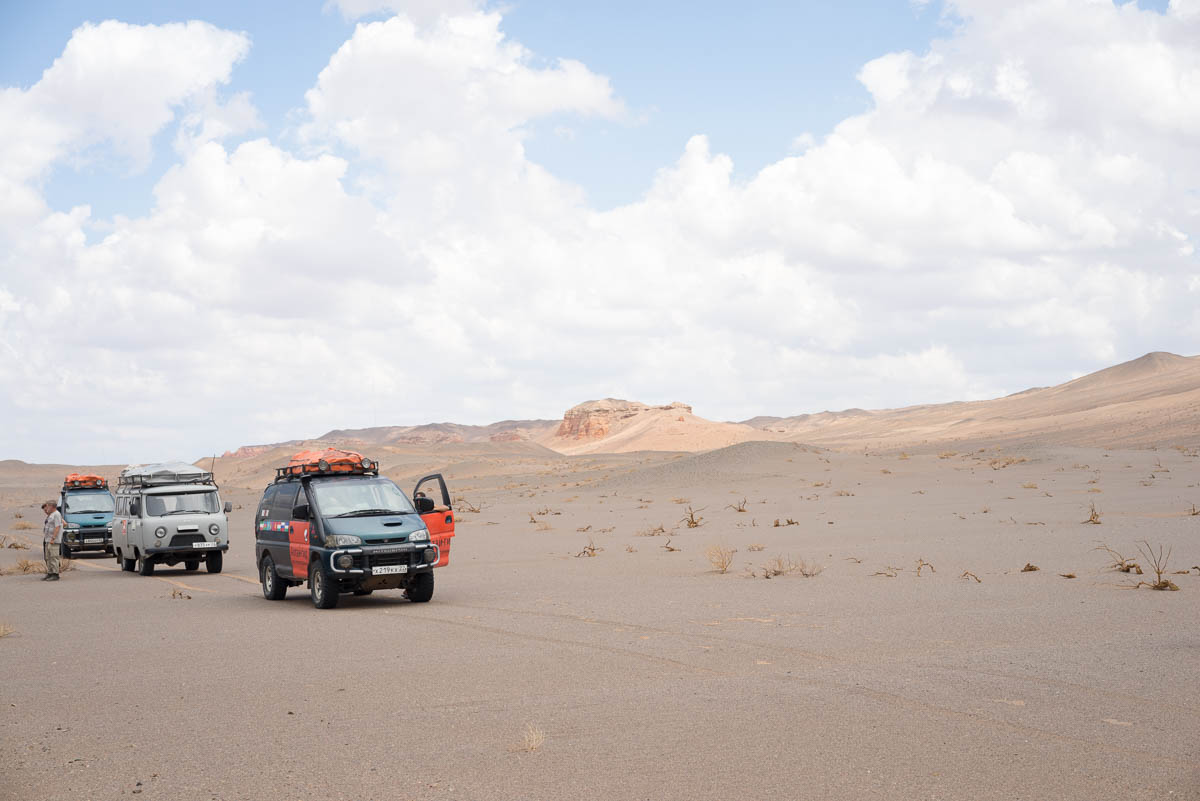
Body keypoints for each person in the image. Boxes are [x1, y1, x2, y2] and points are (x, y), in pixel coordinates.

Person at [42, 500, 63, 581]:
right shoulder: (51, 515)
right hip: (48, 539)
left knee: (54, 557)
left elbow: (57, 527)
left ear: (52, 506)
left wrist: (53, 538)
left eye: (47, 506)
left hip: (53, 540)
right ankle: (50, 573)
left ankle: (55, 574)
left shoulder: (57, 514)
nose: (46, 508)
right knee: (48, 557)